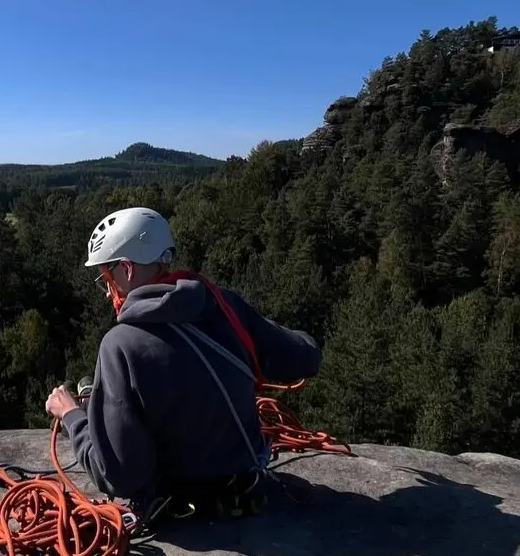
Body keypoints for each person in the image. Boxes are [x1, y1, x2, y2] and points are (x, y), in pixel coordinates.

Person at [44, 206, 322, 517]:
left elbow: (119, 476)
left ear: (127, 269)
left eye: (107, 276)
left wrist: (72, 416)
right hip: (248, 489)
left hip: (184, 510)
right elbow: (306, 358)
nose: (108, 290)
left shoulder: (121, 345)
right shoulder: (222, 304)